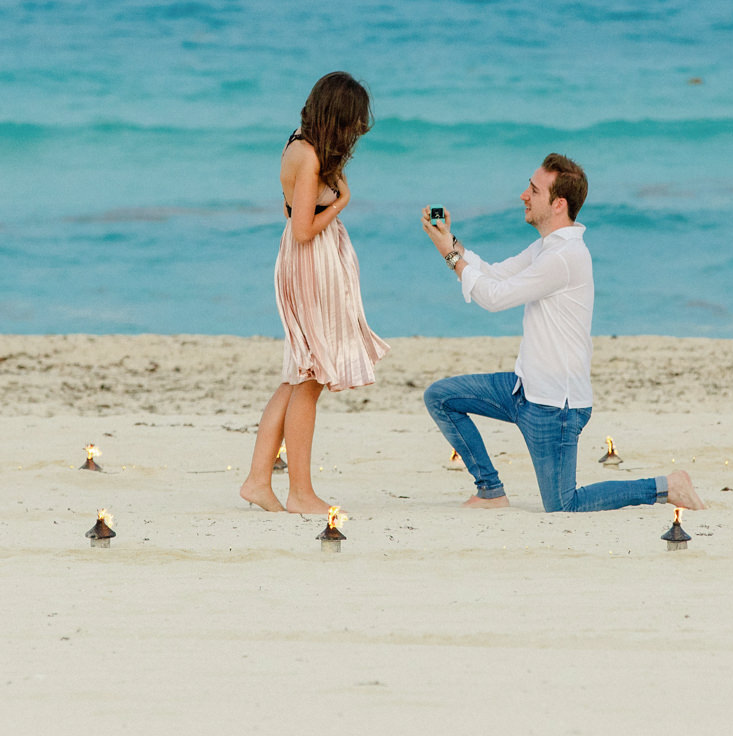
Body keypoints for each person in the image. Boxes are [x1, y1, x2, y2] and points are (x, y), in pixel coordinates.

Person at [419, 153, 704, 513]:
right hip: (522, 389)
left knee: (563, 505)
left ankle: (666, 486)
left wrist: (448, 254)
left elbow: (493, 298)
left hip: (556, 407)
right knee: (440, 397)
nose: (524, 195)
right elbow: (493, 274)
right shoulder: (546, 247)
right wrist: (450, 240)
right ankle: (490, 489)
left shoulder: (565, 257)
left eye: (533, 190)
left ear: (558, 204)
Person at [239, 72, 389, 515]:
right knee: (310, 376)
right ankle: (299, 491)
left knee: (298, 374)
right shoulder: (307, 156)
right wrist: (341, 203)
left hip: (306, 263)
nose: (356, 132)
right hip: (309, 264)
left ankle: (257, 480)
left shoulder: (300, 145)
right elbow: (302, 228)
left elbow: (293, 213)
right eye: (353, 122)